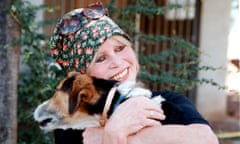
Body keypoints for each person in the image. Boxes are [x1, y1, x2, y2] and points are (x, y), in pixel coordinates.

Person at [50, 2, 219, 144]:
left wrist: (115, 135)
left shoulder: (170, 102)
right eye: (100, 59)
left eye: (120, 48)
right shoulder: (72, 126)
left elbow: (207, 139)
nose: (117, 62)